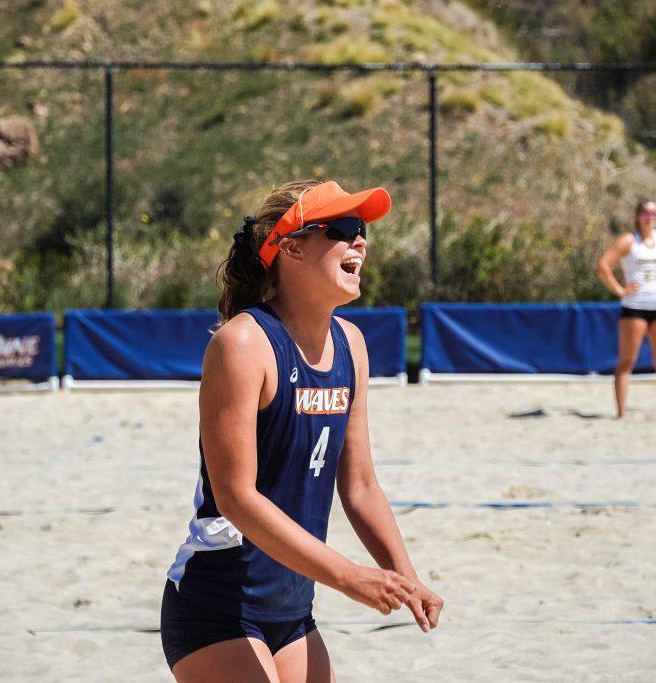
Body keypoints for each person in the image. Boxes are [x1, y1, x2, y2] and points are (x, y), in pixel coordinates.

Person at [160, 180, 444, 682]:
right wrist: (348, 575)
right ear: (290, 246)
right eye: (344, 228)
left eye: (364, 230)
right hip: (221, 601)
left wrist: (406, 577)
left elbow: (359, 486)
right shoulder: (243, 343)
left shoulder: (351, 344)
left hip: (291, 606)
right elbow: (236, 499)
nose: (360, 241)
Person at [597, 199, 656, 418]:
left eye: (655, 213)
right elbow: (603, 265)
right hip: (635, 306)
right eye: (647, 213)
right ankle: (621, 413)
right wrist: (619, 289)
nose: (651, 217)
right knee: (627, 361)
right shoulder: (629, 241)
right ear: (638, 215)